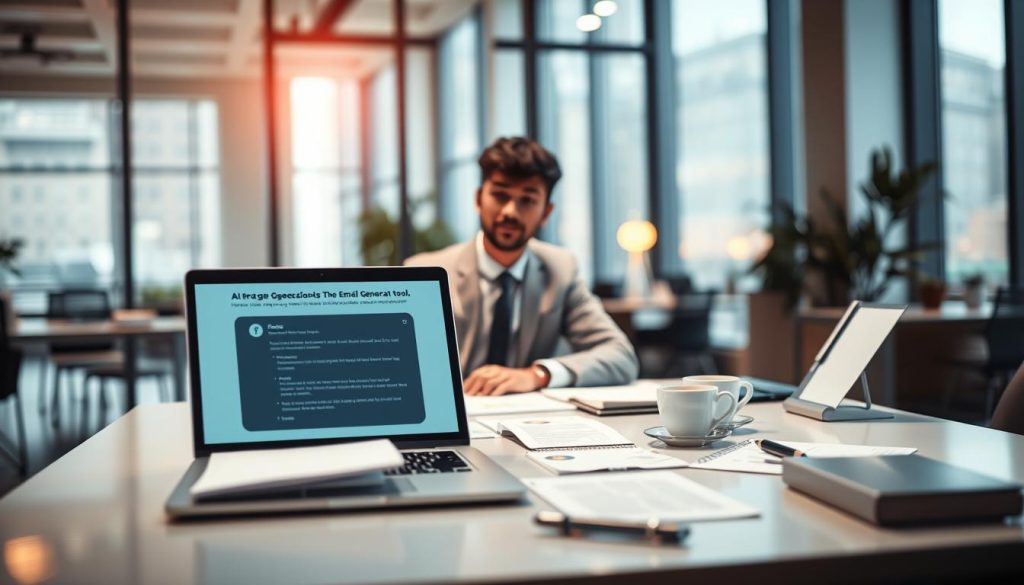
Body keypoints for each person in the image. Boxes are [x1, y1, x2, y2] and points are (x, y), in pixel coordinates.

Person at [406, 137, 638, 395]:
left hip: (526, 414)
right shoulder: (423, 273)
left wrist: (538, 374)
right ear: (478, 199)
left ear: (546, 212)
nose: (510, 212)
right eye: (500, 195)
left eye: (527, 200)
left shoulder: (561, 270)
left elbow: (621, 356)